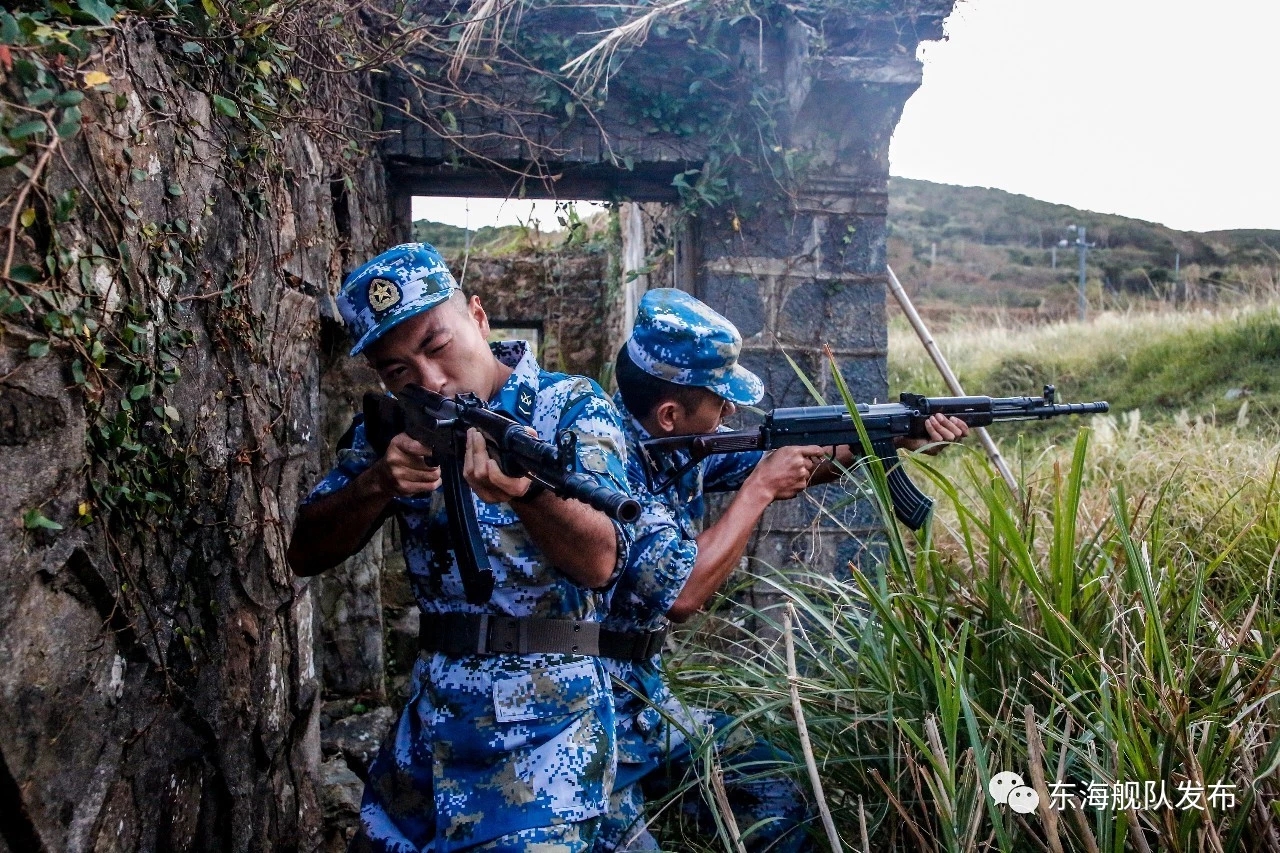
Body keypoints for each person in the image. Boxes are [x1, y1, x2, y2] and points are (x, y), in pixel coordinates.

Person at [287, 242, 635, 852]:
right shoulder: (389, 429)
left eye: (436, 346)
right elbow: (303, 551)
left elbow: (602, 559)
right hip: (430, 730)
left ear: (478, 316)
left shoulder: (569, 406)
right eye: (399, 371)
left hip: (545, 735)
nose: (430, 380)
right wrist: (375, 484)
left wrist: (527, 494)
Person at [596, 288, 969, 851]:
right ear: (670, 413)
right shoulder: (605, 459)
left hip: (641, 691)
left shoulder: (675, 439)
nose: (730, 413)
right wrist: (759, 491)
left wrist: (899, 438)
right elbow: (682, 594)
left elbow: (792, 462)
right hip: (593, 706)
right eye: (719, 401)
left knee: (770, 775)